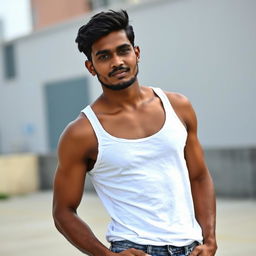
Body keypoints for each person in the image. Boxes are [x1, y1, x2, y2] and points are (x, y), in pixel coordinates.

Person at [52, 9, 217, 256]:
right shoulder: (82, 133)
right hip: (134, 249)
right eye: (104, 56)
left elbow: (199, 177)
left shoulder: (178, 107)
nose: (117, 62)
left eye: (123, 50)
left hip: (193, 248)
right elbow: (63, 212)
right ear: (91, 66)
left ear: (136, 53)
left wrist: (210, 239)